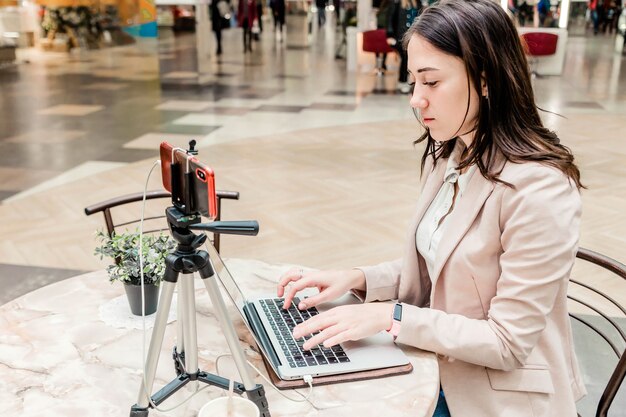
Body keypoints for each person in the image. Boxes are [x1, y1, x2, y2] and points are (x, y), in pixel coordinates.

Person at [277, 1, 586, 416]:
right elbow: (440, 270)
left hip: (494, 397)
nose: (416, 100)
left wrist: (391, 316)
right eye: (413, 82)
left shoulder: (540, 189)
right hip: (433, 365)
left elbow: (507, 343)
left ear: (486, 79)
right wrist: (356, 279)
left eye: (432, 82)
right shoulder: (454, 153)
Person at [386, 0, 423, 93]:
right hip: (400, 37)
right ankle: (403, 81)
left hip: (415, 36)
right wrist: (390, 35)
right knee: (405, 57)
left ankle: (408, 81)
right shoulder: (397, 3)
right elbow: (390, 18)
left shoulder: (417, 3)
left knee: (410, 59)